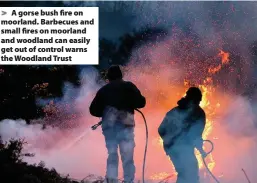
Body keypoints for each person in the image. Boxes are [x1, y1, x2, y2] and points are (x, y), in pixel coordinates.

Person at [89, 65, 146, 183]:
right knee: (127, 156)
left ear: (108, 77)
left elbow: (93, 110)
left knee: (112, 154)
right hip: (126, 126)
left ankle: (111, 180)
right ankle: (128, 180)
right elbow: (141, 103)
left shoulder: (103, 90)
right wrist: (130, 103)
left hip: (109, 129)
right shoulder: (129, 86)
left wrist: (105, 113)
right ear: (121, 75)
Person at [158, 87, 207, 183]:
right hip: (184, 148)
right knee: (190, 173)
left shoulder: (174, 110)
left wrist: (169, 141)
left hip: (171, 147)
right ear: (197, 99)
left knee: (183, 173)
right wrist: (201, 150)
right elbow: (196, 136)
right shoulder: (198, 113)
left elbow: (161, 129)